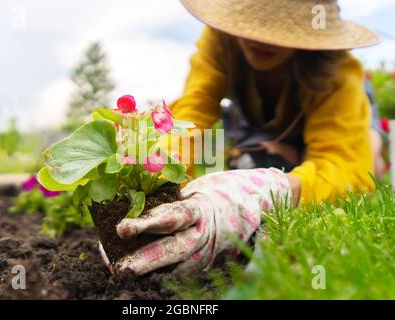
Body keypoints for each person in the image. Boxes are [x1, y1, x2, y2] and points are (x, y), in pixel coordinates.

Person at [99, 0, 381, 276]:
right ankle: (287, 156)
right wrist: (163, 188)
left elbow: (344, 164)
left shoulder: (337, 71)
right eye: (251, 23)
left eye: (280, 30)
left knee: (368, 156)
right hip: (263, 127)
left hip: (336, 126)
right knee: (251, 163)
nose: (261, 39)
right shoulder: (221, 40)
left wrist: (274, 190)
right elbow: (193, 114)